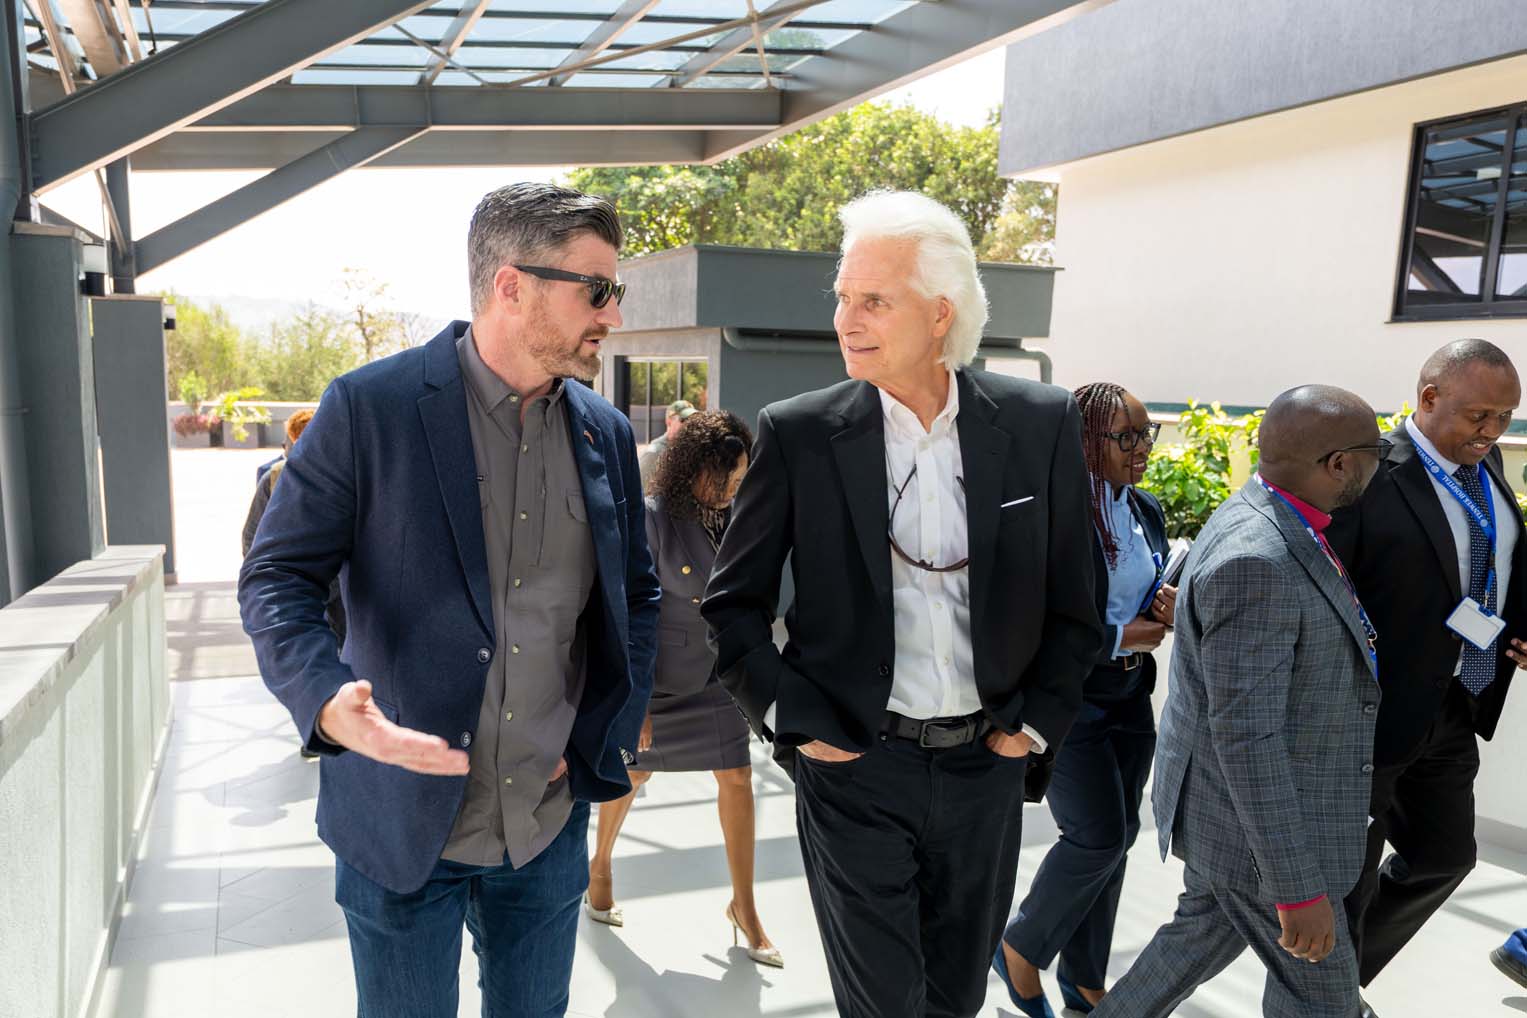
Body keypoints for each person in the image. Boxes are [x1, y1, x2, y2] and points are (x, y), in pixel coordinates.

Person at [238, 182, 660, 1018]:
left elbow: (636, 597)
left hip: (545, 823)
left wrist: (604, 730)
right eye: (596, 291)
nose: (611, 316)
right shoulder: (368, 407)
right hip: (399, 824)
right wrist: (326, 702)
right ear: (511, 286)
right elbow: (277, 577)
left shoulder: (604, 432)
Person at [701, 190, 1101, 1018]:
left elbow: (1078, 602)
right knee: (883, 1005)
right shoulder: (798, 431)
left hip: (985, 768)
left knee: (953, 1000)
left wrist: (1027, 730)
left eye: (872, 300)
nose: (847, 318)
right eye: (843, 298)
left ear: (939, 311)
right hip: (855, 765)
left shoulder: (1039, 423)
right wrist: (796, 720)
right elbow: (732, 604)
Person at [1091, 385, 1387, 1018]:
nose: (1379, 463)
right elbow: (1246, 737)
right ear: (1338, 464)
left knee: (1185, 950)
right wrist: (1295, 887)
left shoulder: (1267, 513)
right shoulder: (1259, 558)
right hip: (1268, 843)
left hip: (1233, 829)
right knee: (1327, 1002)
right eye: (1375, 451)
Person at [1328, 339, 1527, 1014]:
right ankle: (1324, 999)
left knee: (1444, 858)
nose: (1492, 431)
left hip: (1456, 706)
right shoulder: (1366, 472)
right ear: (1428, 397)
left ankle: (1334, 983)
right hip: (1371, 713)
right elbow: (1331, 589)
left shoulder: (1489, 464)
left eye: (1505, 416)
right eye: (1479, 414)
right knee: (1345, 881)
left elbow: (1492, 565)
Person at [996, 383, 1174, 1017]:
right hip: (1073, 697)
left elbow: (1144, 586)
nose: (1142, 448)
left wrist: (1163, 603)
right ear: (1086, 440)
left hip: (1131, 691)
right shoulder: (1054, 512)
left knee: (1120, 836)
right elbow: (1031, 617)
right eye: (1126, 436)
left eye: (1147, 434)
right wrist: (1116, 635)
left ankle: (1085, 979)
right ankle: (1019, 946)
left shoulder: (1143, 509)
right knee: (1097, 836)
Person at [585, 408, 783, 968]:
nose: (731, 489)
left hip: (717, 675)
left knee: (738, 777)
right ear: (693, 469)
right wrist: (636, 698)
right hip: (659, 676)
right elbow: (630, 609)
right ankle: (600, 864)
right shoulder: (651, 517)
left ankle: (744, 906)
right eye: (723, 478)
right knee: (633, 771)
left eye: (740, 478)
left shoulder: (738, 516)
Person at [638, 398, 696, 490]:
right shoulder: (654, 452)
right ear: (669, 421)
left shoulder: (691, 450)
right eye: (684, 420)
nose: (689, 424)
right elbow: (639, 489)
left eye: (692, 420)